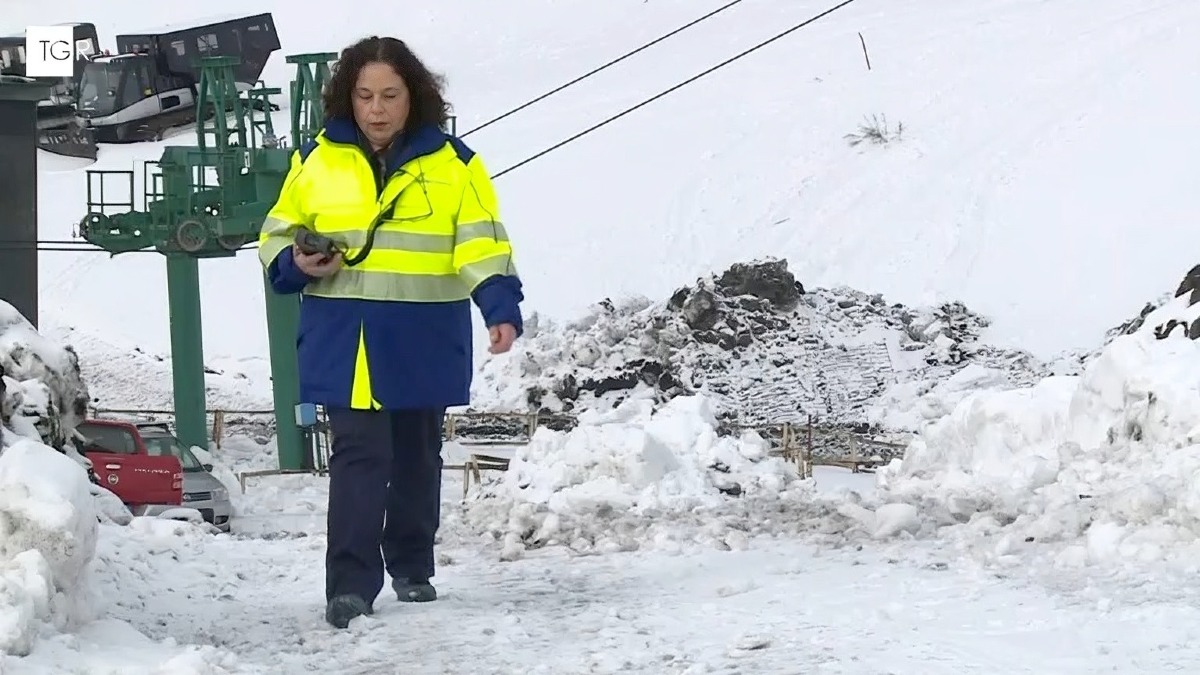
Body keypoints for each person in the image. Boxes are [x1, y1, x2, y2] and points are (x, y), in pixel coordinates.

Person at [256, 36, 524, 629]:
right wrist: (297, 262)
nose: (376, 109)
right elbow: (276, 235)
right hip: (345, 341)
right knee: (359, 458)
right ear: (347, 99)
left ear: (414, 98)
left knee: (415, 459)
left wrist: (499, 307)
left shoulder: (455, 165)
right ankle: (349, 586)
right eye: (364, 95)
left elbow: (481, 242)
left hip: (422, 336)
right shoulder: (315, 161)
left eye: (390, 95)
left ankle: (411, 564)